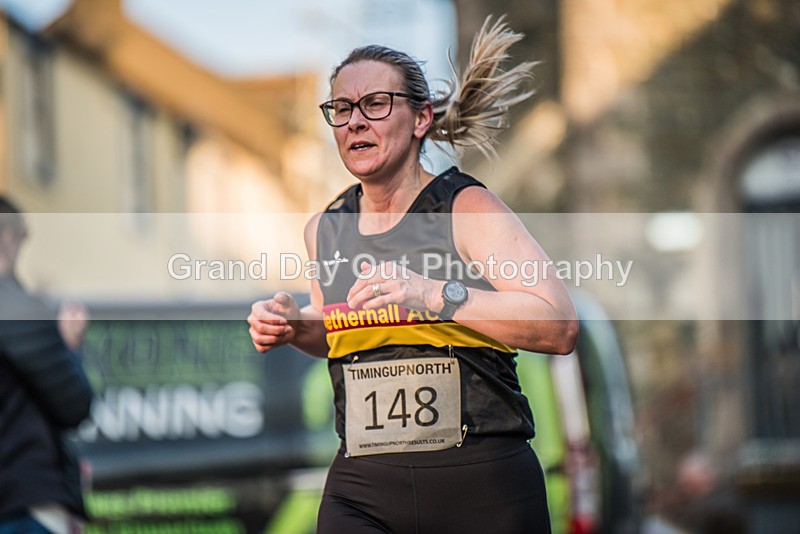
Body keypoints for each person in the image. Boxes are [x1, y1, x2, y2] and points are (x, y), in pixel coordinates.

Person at [248, 16, 578, 533]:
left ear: (421, 117)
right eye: (341, 109)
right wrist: (294, 326)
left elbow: (559, 325)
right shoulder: (325, 230)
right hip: (364, 489)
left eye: (375, 104)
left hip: (482, 487)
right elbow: (336, 333)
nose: (355, 121)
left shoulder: (466, 209)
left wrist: (434, 293)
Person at [0, 196, 94, 534]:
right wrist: (70, 347)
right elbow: (73, 404)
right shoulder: (14, 305)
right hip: (20, 505)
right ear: (9, 238)